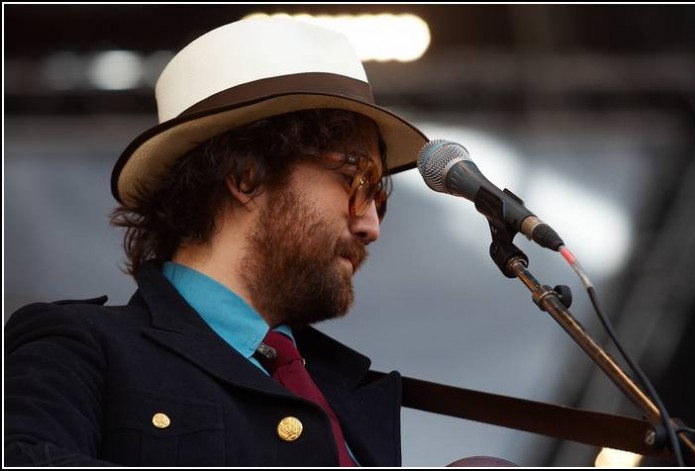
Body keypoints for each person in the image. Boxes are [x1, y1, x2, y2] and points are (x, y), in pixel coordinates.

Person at [4, 17, 427, 467]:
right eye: (357, 180)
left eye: (380, 195)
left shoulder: (341, 386)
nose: (370, 224)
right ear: (248, 176)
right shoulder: (77, 348)